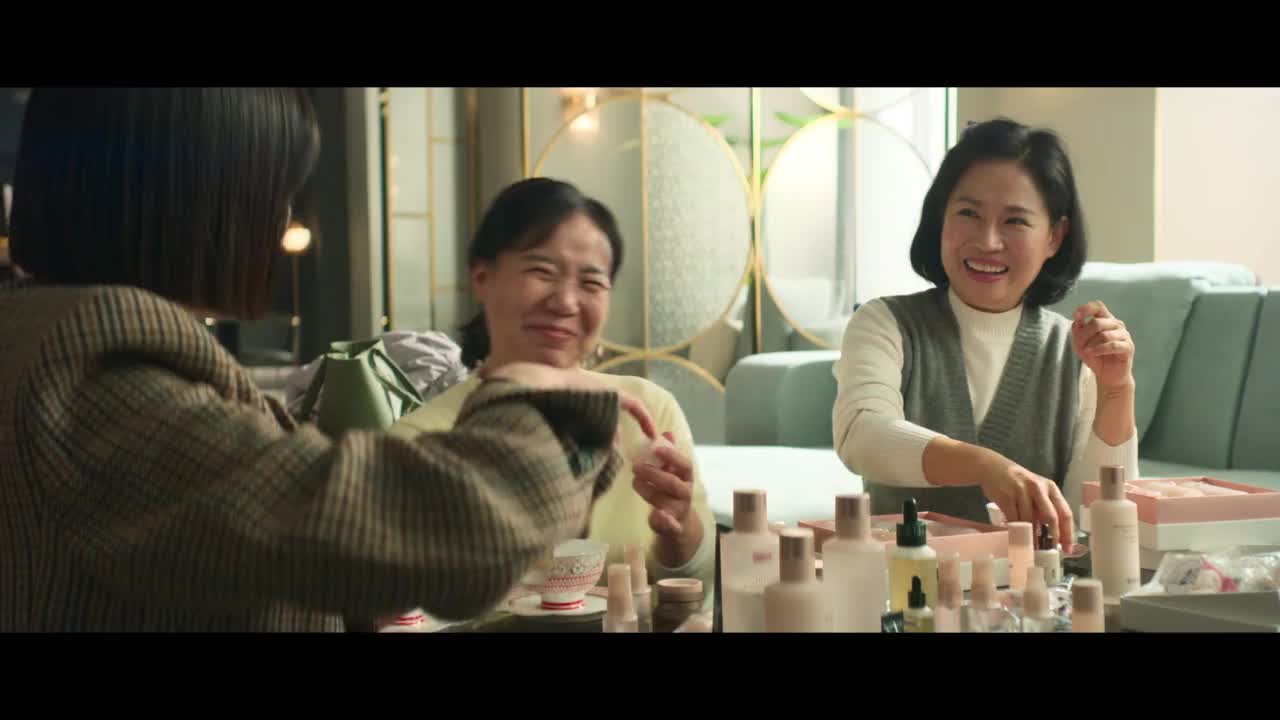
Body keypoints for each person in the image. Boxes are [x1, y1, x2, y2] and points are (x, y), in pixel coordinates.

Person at [0, 88, 655, 632]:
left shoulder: (52, 336)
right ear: (183, 188)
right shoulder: (96, 362)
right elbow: (434, 529)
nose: (282, 215)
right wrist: (544, 401)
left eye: (591, 280)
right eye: (275, 185)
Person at [392, 178, 715, 597]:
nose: (565, 302)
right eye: (541, 272)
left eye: (591, 283)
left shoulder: (648, 410)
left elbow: (702, 576)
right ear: (482, 277)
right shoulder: (419, 440)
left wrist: (679, 529)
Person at [832, 118, 1139, 548]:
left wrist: (1116, 389)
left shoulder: (1074, 351)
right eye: (968, 214)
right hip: (902, 581)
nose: (988, 241)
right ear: (941, 217)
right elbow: (863, 435)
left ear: (1054, 237)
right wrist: (985, 466)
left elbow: (1091, 520)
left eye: (1015, 221)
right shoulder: (885, 323)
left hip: (1030, 588)